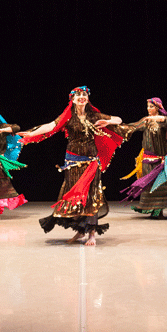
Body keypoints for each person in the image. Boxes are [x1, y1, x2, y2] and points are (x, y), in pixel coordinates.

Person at [18, 86, 127, 246]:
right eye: (78, 95)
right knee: (75, 197)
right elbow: (50, 126)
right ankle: (80, 230)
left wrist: (109, 121)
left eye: (84, 95)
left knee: (91, 196)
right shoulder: (68, 117)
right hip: (72, 162)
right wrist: (32, 133)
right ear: (72, 99)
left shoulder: (94, 116)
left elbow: (119, 119)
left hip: (91, 162)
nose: (81, 97)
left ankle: (91, 234)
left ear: (87, 98)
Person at [120, 97, 167, 218]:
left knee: (162, 185)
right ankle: (153, 210)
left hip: (161, 159)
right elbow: (132, 127)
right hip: (147, 159)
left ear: (158, 107)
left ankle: (159, 211)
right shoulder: (146, 121)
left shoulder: (163, 120)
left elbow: (164, 118)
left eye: (151, 106)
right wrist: (115, 126)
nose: (148, 109)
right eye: (148, 106)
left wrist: (150, 118)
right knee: (149, 185)